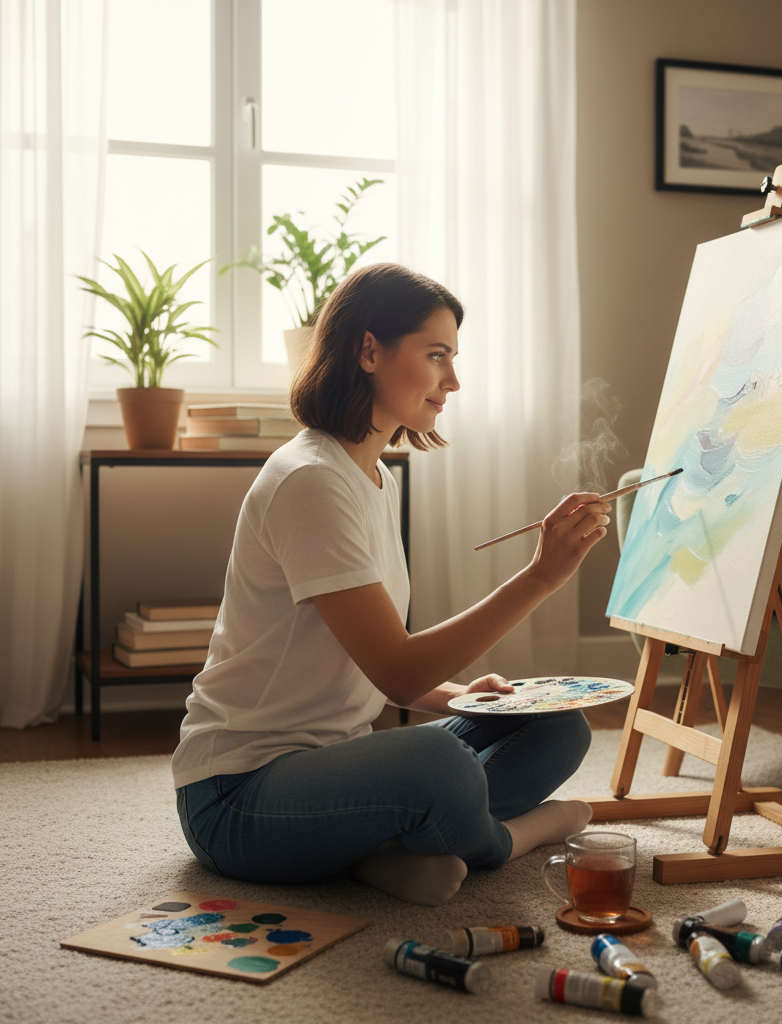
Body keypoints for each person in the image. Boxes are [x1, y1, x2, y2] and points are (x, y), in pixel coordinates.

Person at [172, 262, 610, 905]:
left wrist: (461, 696)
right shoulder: (310, 480)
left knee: (553, 724)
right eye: (436, 355)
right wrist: (541, 576)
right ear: (369, 350)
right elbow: (398, 674)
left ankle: (383, 852)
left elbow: (371, 659)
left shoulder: (374, 479)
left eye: (453, 358)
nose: (452, 381)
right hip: (236, 796)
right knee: (440, 766)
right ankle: (508, 839)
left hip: (333, 765)